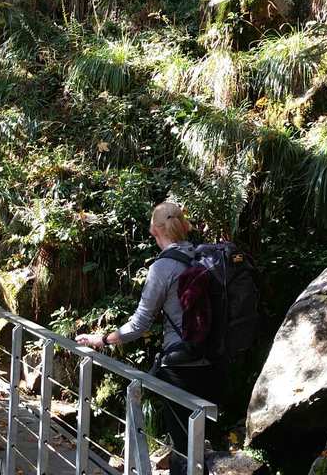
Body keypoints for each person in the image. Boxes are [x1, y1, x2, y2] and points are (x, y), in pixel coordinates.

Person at [75, 201, 221, 474]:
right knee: (196, 443)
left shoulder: (163, 267)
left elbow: (140, 324)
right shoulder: (201, 256)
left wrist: (102, 340)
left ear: (155, 230)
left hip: (181, 364)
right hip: (211, 360)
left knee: (184, 449)